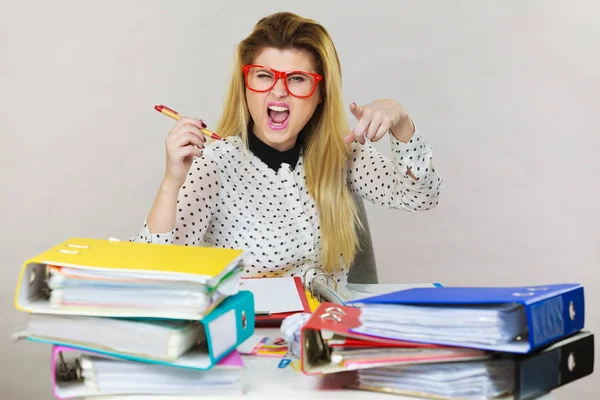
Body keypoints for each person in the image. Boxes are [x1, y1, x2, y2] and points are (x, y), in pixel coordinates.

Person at [130, 11, 442, 286]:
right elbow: (151, 275)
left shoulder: (341, 154)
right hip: (254, 342)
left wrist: (400, 121)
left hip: (328, 337)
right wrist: (172, 182)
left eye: (296, 78)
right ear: (246, 86)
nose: (278, 91)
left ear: (320, 92)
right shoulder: (212, 165)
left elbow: (421, 197)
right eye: (264, 76)